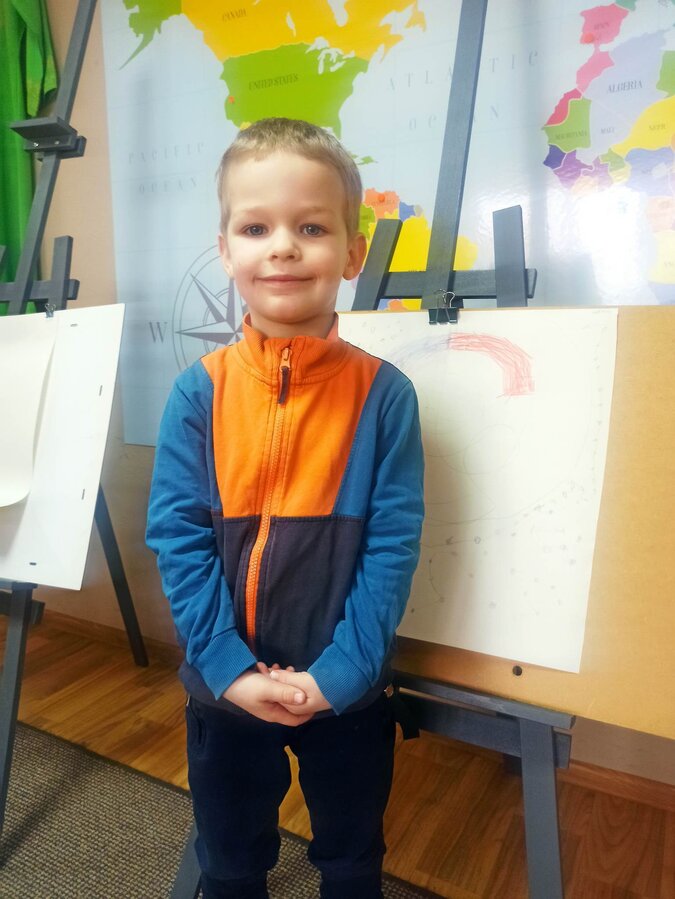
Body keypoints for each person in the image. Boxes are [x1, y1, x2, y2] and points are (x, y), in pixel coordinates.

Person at [146, 117, 425, 899]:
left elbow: (391, 547)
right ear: (225, 248)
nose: (282, 248)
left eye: (310, 227)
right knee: (230, 861)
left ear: (353, 251)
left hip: (346, 691)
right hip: (225, 691)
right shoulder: (197, 392)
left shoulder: (385, 396)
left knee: (352, 858)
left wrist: (342, 672)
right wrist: (228, 668)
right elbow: (177, 538)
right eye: (255, 228)